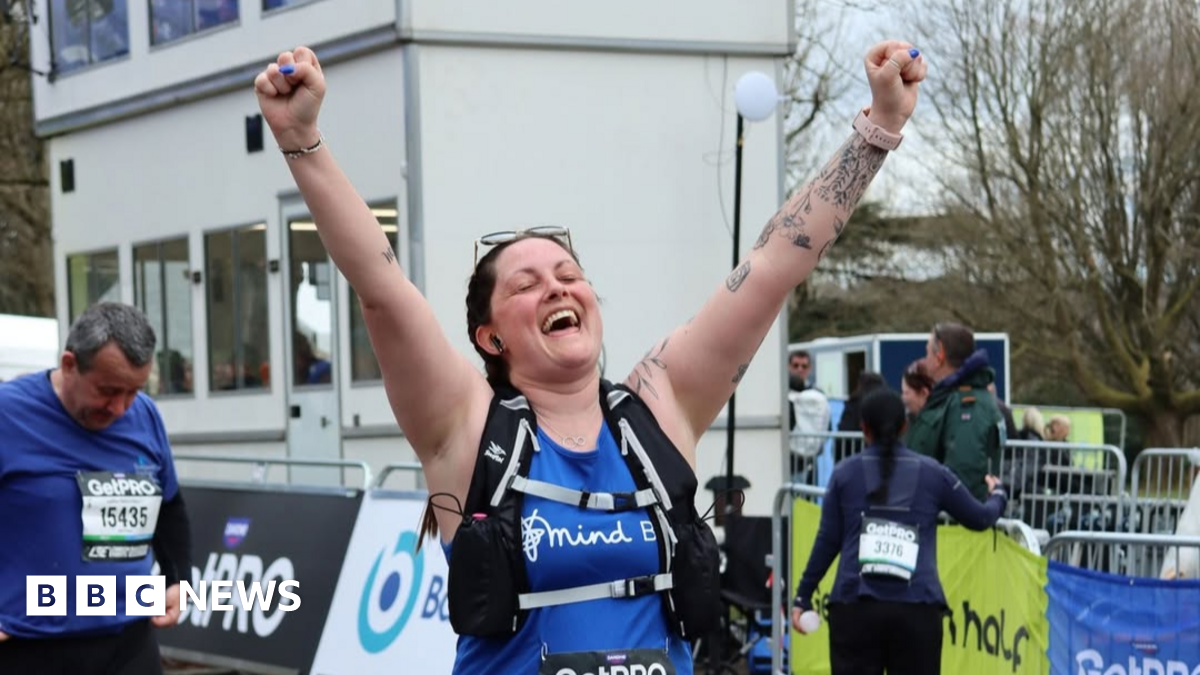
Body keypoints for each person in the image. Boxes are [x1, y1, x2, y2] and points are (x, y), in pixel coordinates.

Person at [253, 39, 925, 674]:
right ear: (491, 337)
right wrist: (300, 140)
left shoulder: (659, 406)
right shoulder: (467, 428)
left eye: (569, 273)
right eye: (527, 284)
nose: (558, 286)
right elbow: (383, 290)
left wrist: (879, 129)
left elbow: (775, 263)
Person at [0, 302, 192, 674]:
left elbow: (169, 506)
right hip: (31, 647)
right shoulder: (8, 415)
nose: (120, 408)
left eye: (133, 391)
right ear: (69, 365)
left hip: (128, 643)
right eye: (108, 390)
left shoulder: (146, 416)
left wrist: (178, 580)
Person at [791, 388, 1007, 675]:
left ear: (863, 428)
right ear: (905, 425)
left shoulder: (844, 474)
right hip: (917, 609)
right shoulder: (934, 474)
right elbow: (980, 518)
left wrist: (802, 597)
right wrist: (999, 494)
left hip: (855, 607)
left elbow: (828, 541)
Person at [905, 322, 1004, 501]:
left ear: (940, 354)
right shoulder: (950, 399)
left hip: (950, 524)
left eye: (928, 352)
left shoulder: (966, 405)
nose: (924, 360)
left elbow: (963, 476)